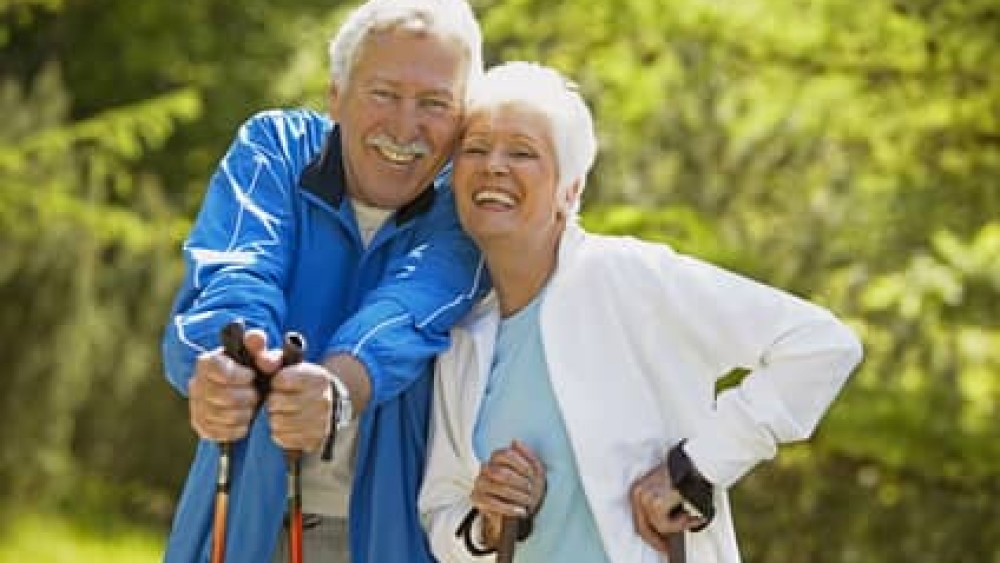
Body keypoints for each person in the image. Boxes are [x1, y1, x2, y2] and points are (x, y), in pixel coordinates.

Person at [418, 62, 864, 563]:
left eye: (522, 152)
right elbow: (441, 511)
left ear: (571, 190)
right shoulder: (461, 341)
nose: (494, 165)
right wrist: (489, 521)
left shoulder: (626, 276)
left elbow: (821, 345)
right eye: (475, 149)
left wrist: (693, 469)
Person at [161, 1, 488, 562]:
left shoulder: (468, 203)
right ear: (336, 94)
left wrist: (335, 392)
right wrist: (229, 363)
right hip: (240, 521)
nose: (406, 127)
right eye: (383, 93)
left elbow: (413, 306)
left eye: (435, 103)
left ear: (461, 120)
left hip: (389, 541)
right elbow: (235, 270)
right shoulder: (275, 148)